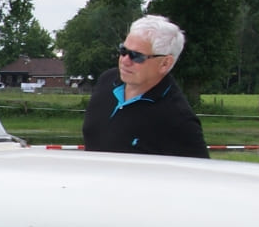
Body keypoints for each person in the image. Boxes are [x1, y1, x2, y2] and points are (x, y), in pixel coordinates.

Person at [82, 15, 208, 159]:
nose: (125, 60)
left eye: (136, 56)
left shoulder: (178, 119)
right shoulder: (107, 80)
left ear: (165, 63)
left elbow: (201, 176)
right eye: (123, 51)